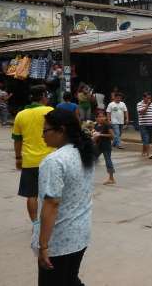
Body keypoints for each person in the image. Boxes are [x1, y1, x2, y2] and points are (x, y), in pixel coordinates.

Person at [33, 108, 95, 285]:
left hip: (59, 240)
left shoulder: (54, 161)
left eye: (45, 131)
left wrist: (43, 245)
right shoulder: (84, 152)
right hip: (80, 234)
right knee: (69, 279)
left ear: (61, 130)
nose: (42, 136)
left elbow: (51, 204)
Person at [13, 85, 54, 222]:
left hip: (29, 161)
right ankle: (49, 222)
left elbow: (17, 140)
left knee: (32, 194)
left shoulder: (20, 115)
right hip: (50, 160)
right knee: (52, 194)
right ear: (43, 96)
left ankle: (36, 224)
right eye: (47, 95)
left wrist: (18, 158)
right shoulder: (50, 111)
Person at [93, 111, 115, 185]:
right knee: (91, 160)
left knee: (108, 161)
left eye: (102, 116)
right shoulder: (96, 125)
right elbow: (95, 136)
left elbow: (112, 136)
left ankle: (111, 178)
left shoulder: (107, 125)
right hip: (98, 146)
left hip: (106, 146)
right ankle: (85, 176)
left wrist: (100, 134)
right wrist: (93, 136)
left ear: (105, 117)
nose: (101, 118)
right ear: (96, 118)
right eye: (99, 117)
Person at [137, 92, 152, 159]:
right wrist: (147, 105)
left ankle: (143, 152)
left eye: (150, 98)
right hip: (143, 124)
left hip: (151, 124)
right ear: (143, 98)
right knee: (146, 139)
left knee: (148, 140)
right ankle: (149, 153)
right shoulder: (139, 104)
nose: (149, 99)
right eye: (148, 98)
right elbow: (142, 113)